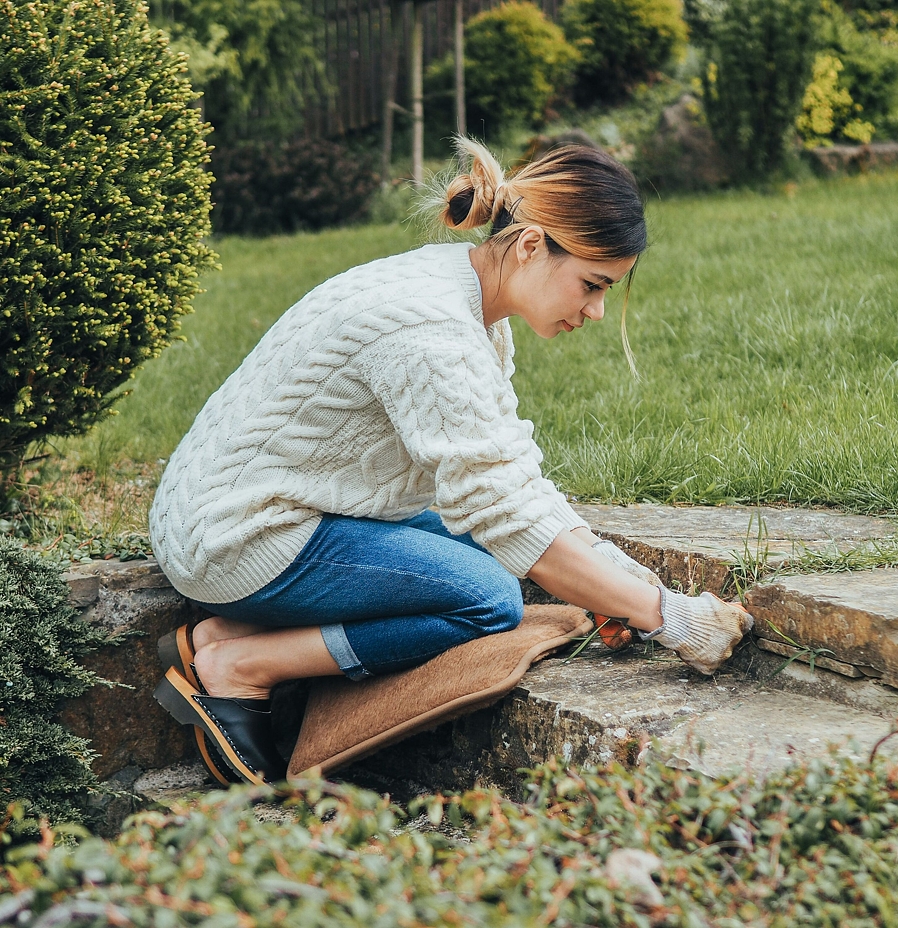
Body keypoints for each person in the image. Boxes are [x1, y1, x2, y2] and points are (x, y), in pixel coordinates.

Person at [150, 138, 753, 786]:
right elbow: (511, 516)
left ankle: (222, 636)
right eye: (591, 284)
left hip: (256, 512)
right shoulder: (430, 327)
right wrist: (669, 617)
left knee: (488, 556)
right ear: (529, 247)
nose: (597, 310)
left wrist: (613, 571)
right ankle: (239, 667)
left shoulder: (464, 298)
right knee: (485, 598)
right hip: (233, 536)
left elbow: (510, 480)